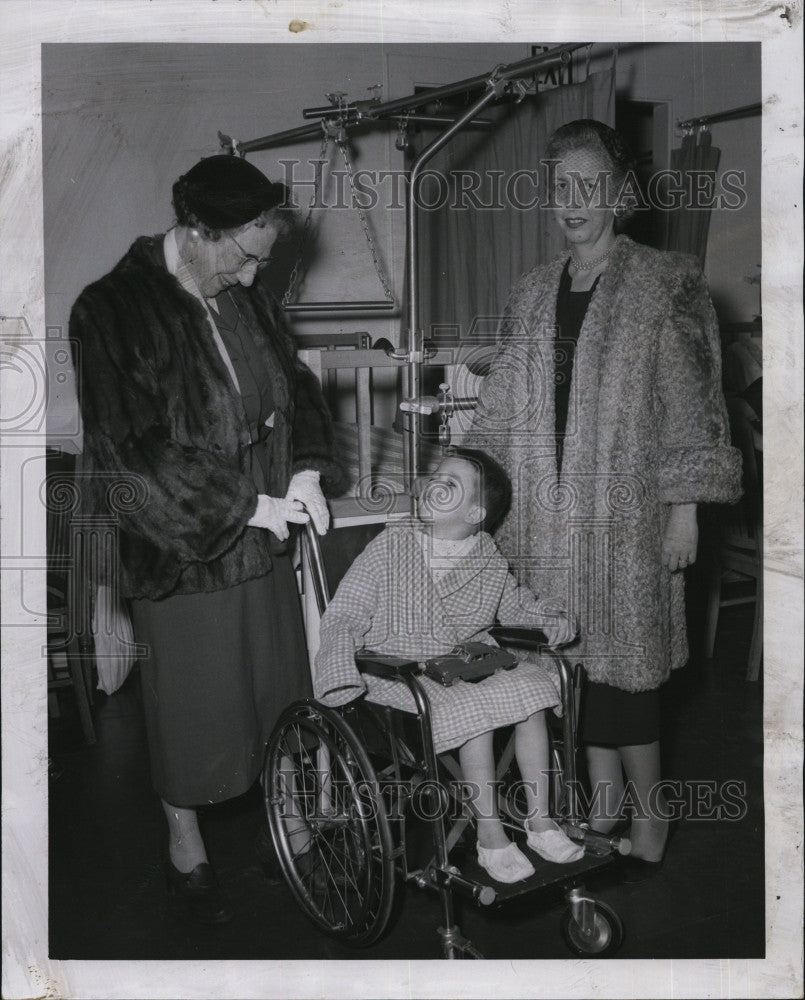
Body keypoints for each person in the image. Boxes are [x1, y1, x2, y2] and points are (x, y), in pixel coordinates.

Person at [70, 154, 345, 923]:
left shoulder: (242, 292)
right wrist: (245, 505)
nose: (257, 277)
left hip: (263, 537)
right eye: (245, 256)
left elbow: (293, 383)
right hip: (182, 547)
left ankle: (287, 820)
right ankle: (182, 836)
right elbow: (132, 450)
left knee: (273, 689)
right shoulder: (111, 308)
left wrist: (307, 470)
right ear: (195, 233)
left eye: (265, 257)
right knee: (195, 708)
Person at [468, 120, 742, 878]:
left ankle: (652, 814)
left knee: (629, 677)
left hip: (627, 518)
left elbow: (693, 408)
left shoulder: (666, 282)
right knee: (571, 673)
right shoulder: (530, 292)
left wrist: (684, 507)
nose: (574, 201)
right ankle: (600, 805)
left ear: (620, 193)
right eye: (561, 187)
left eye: (590, 185)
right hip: (544, 517)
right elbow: (502, 406)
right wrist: (466, 482)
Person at [314, 448, 584, 884]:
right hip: (399, 666)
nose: (434, 483)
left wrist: (548, 620)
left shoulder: (487, 557)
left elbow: (515, 604)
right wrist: (338, 665)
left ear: (474, 512)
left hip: (463, 659)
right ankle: (490, 833)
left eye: (451, 484)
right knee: (473, 710)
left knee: (533, 691)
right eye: (436, 475)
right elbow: (345, 612)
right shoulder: (391, 545)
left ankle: (541, 820)